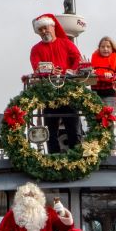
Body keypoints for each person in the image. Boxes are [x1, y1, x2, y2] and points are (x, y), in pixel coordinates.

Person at [29, 13, 84, 154]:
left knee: (73, 128)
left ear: (52, 27)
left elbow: (77, 59)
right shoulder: (36, 49)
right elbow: (36, 67)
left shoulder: (66, 44)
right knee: (50, 131)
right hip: (49, 94)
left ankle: (76, 157)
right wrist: (50, 71)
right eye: (40, 29)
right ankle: (53, 158)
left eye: (45, 28)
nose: (43, 31)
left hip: (68, 92)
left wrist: (69, 71)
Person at [90, 35, 116, 109]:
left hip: (110, 94)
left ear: (112, 48)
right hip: (95, 94)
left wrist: (112, 75)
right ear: (99, 48)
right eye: (102, 47)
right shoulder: (94, 58)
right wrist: (90, 72)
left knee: (109, 115)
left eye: (108, 47)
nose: (105, 49)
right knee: (95, 115)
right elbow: (89, 74)